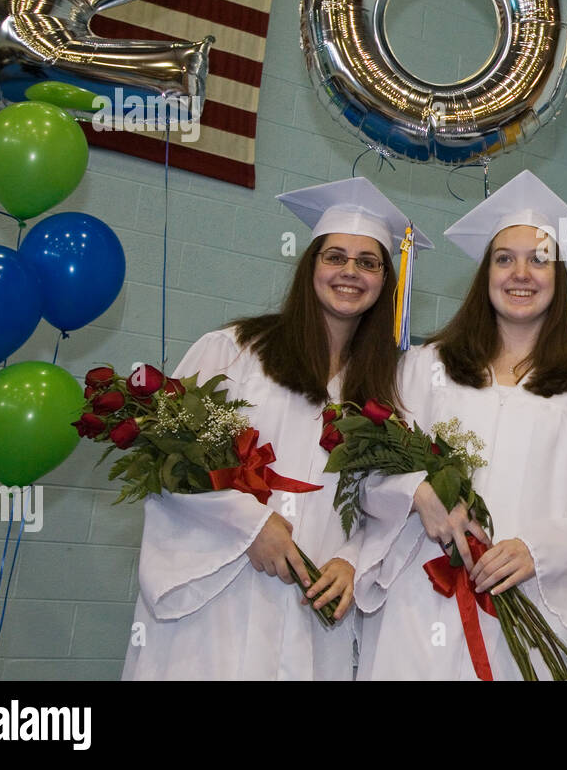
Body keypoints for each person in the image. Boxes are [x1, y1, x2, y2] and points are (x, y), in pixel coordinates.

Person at [123, 177, 429, 680]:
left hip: (311, 610)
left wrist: (352, 561)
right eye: (335, 257)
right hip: (218, 596)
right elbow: (169, 462)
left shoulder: (386, 391)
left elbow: (384, 502)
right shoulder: (234, 350)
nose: (350, 272)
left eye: (368, 262)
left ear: (384, 282)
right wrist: (249, 525)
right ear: (311, 266)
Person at [352, 170, 567, 680]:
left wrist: (534, 550)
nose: (521, 273)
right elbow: (367, 477)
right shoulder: (421, 369)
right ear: (485, 275)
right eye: (505, 259)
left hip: (527, 610)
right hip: (418, 604)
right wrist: (416, 492)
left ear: (560, 279)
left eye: (539, 259)